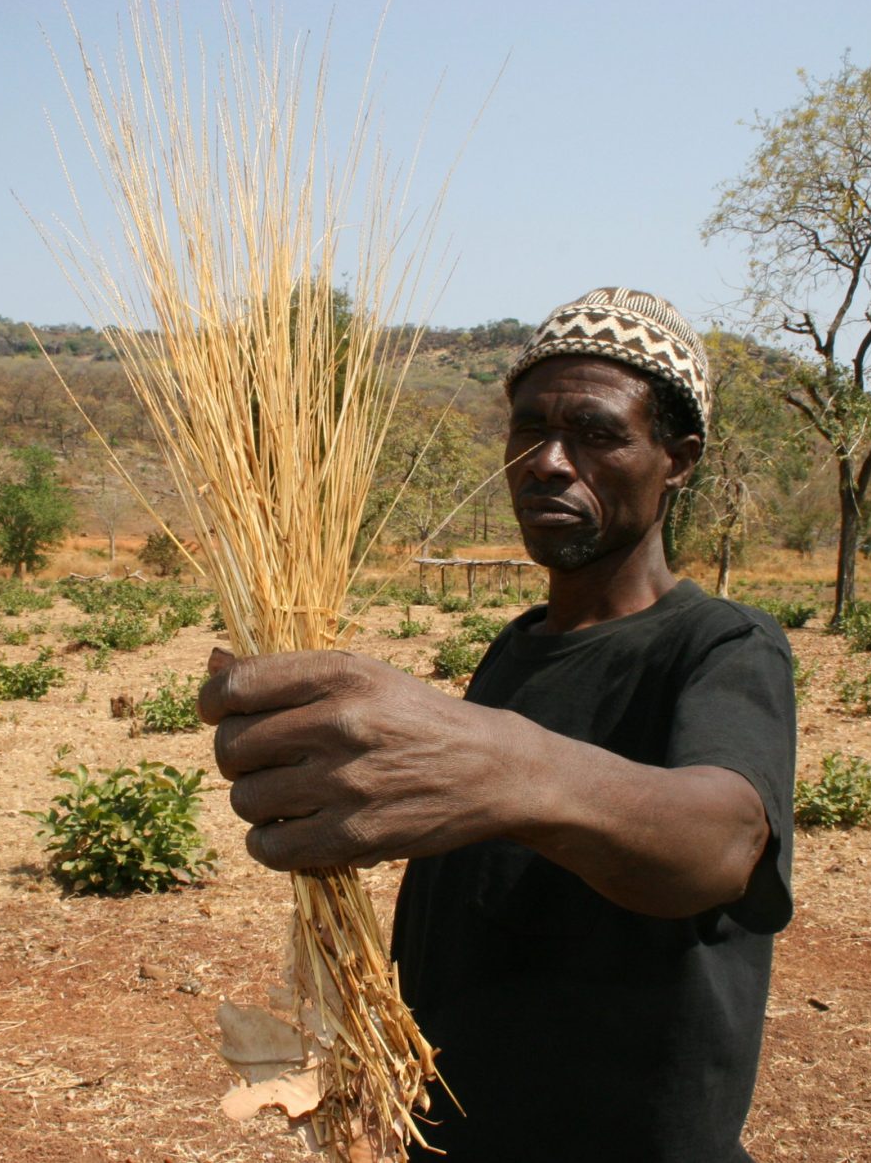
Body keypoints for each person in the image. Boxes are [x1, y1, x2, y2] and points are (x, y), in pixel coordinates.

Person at [199, 288, 796, 1162]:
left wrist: (506, 763)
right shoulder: (515, 652)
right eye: (529, 430)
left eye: (597, 433)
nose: (548, 462)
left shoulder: (722, 645)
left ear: (678, 459)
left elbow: (722, 842)